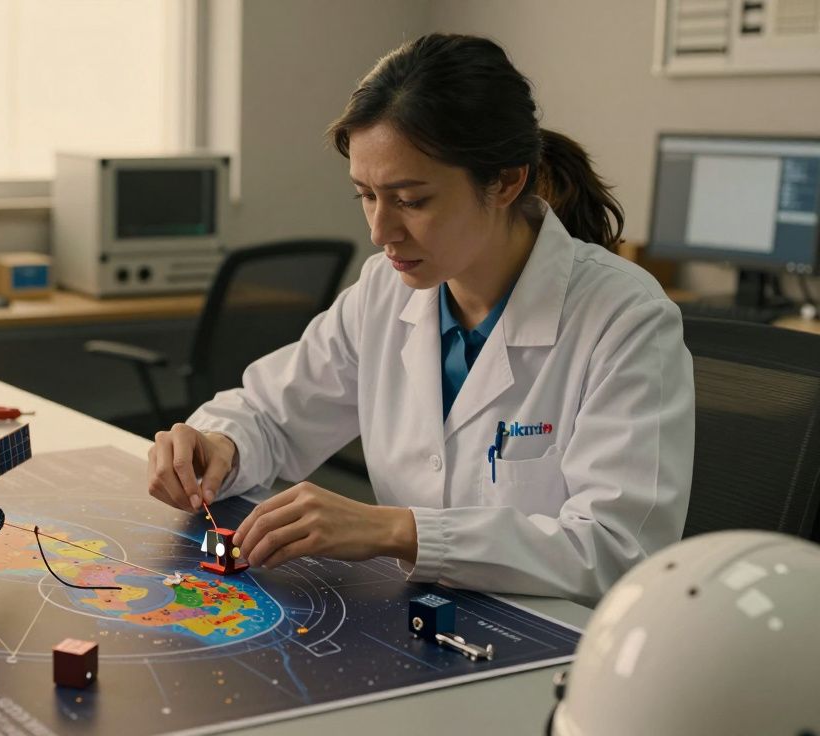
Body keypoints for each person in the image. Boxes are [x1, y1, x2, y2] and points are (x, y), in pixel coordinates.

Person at [144, 33, 694, 605]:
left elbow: (618, 550)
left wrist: (396, 531)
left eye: (411, 200)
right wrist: (219, 445)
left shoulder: (625, 318)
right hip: (420, 621)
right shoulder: (387, 290)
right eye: (366, 195)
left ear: (506, 181)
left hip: (559, 649)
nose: (381, 233)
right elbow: (273, 416)